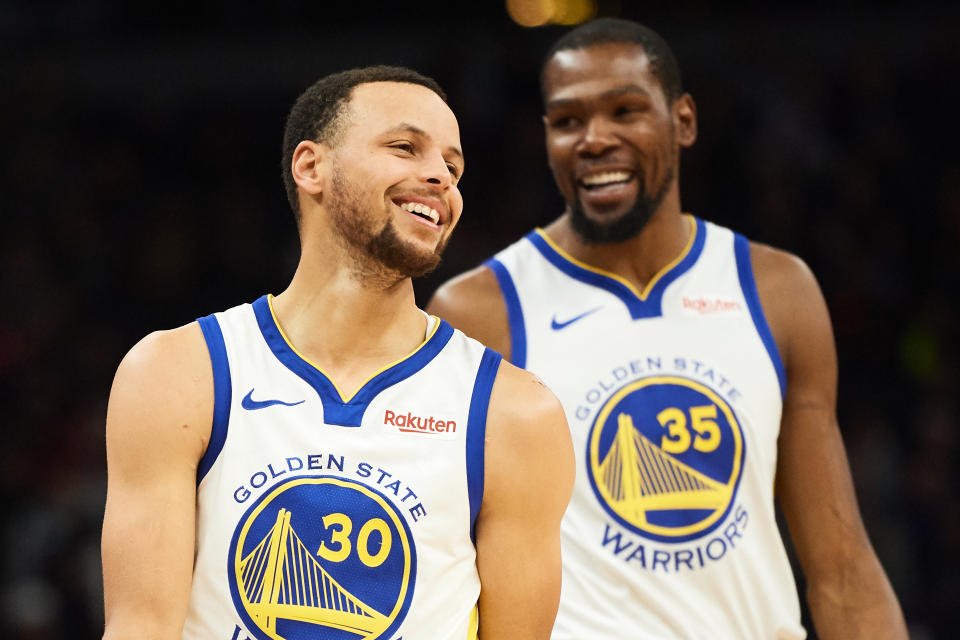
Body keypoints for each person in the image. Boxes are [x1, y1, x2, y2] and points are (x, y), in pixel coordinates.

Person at [428, 19, 907, 640]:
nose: (595, 139)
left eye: (626, 110)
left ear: (683, 120)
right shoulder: (477, 313)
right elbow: (440, 574)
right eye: (569, 121)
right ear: (546, 137)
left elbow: (842, 571)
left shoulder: (777, 291)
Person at [101, 65, 575, 640]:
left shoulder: (516, 413)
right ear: (311, 167)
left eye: (453, 168)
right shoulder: (179, 373)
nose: (441, 179)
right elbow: (140, 628)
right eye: (405, 148)